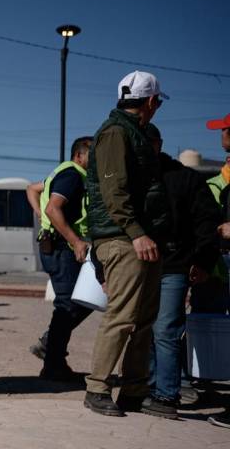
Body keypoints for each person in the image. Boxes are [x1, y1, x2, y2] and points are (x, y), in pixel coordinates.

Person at [83, 71, 172, 417]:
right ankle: (98, 388)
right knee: (122, 316)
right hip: (123, 238)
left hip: (140, 237)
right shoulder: (116, 133)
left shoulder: (134, 132)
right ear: (151, 102)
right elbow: (113, 190)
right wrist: (137, 232)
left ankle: (134, 391)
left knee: (144, 318)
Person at [144, 125, 222, 419]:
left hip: (174, 265)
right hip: (140, 266)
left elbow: (207, 222)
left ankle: (165, 395)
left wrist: (203, 261)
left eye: (146, 142)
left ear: (158, 144)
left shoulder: (184, 178)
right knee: (146, 330)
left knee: (164, 329)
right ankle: (152, 388)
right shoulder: (132, 176)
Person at [23, 136, 94, 382]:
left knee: (84, 301)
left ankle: (51, 349)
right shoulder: (72, 175)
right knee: (69, 304)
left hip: (58, 246)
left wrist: (41, 213)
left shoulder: (64, 173)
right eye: (92, 156)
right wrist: (75, 240)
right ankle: (52, 361)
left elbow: (32, 189)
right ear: (79, 156)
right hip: (61, 249)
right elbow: (54, 208)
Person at [195, 113, 230, 429]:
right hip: (215, 267)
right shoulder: (215, 182)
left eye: (225, 130)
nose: (222, 134)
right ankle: (206, 386)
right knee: (208, 328)